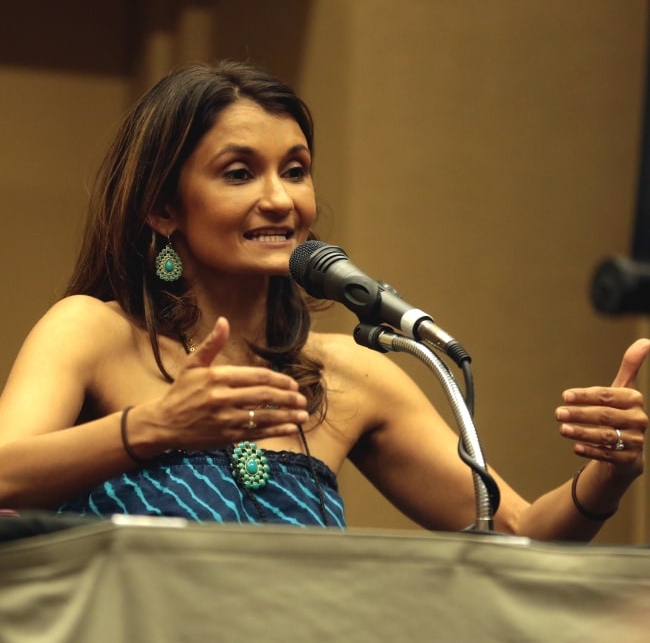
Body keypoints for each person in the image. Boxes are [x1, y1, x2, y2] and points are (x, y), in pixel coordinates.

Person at [0, 60, 648, 538]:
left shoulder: (351, 374)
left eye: (295, 169)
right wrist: (157, 428)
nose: (281, 198)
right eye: (238, 172)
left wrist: (608, 476)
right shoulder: (93, 332)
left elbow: (519, 535)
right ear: (163, 206)